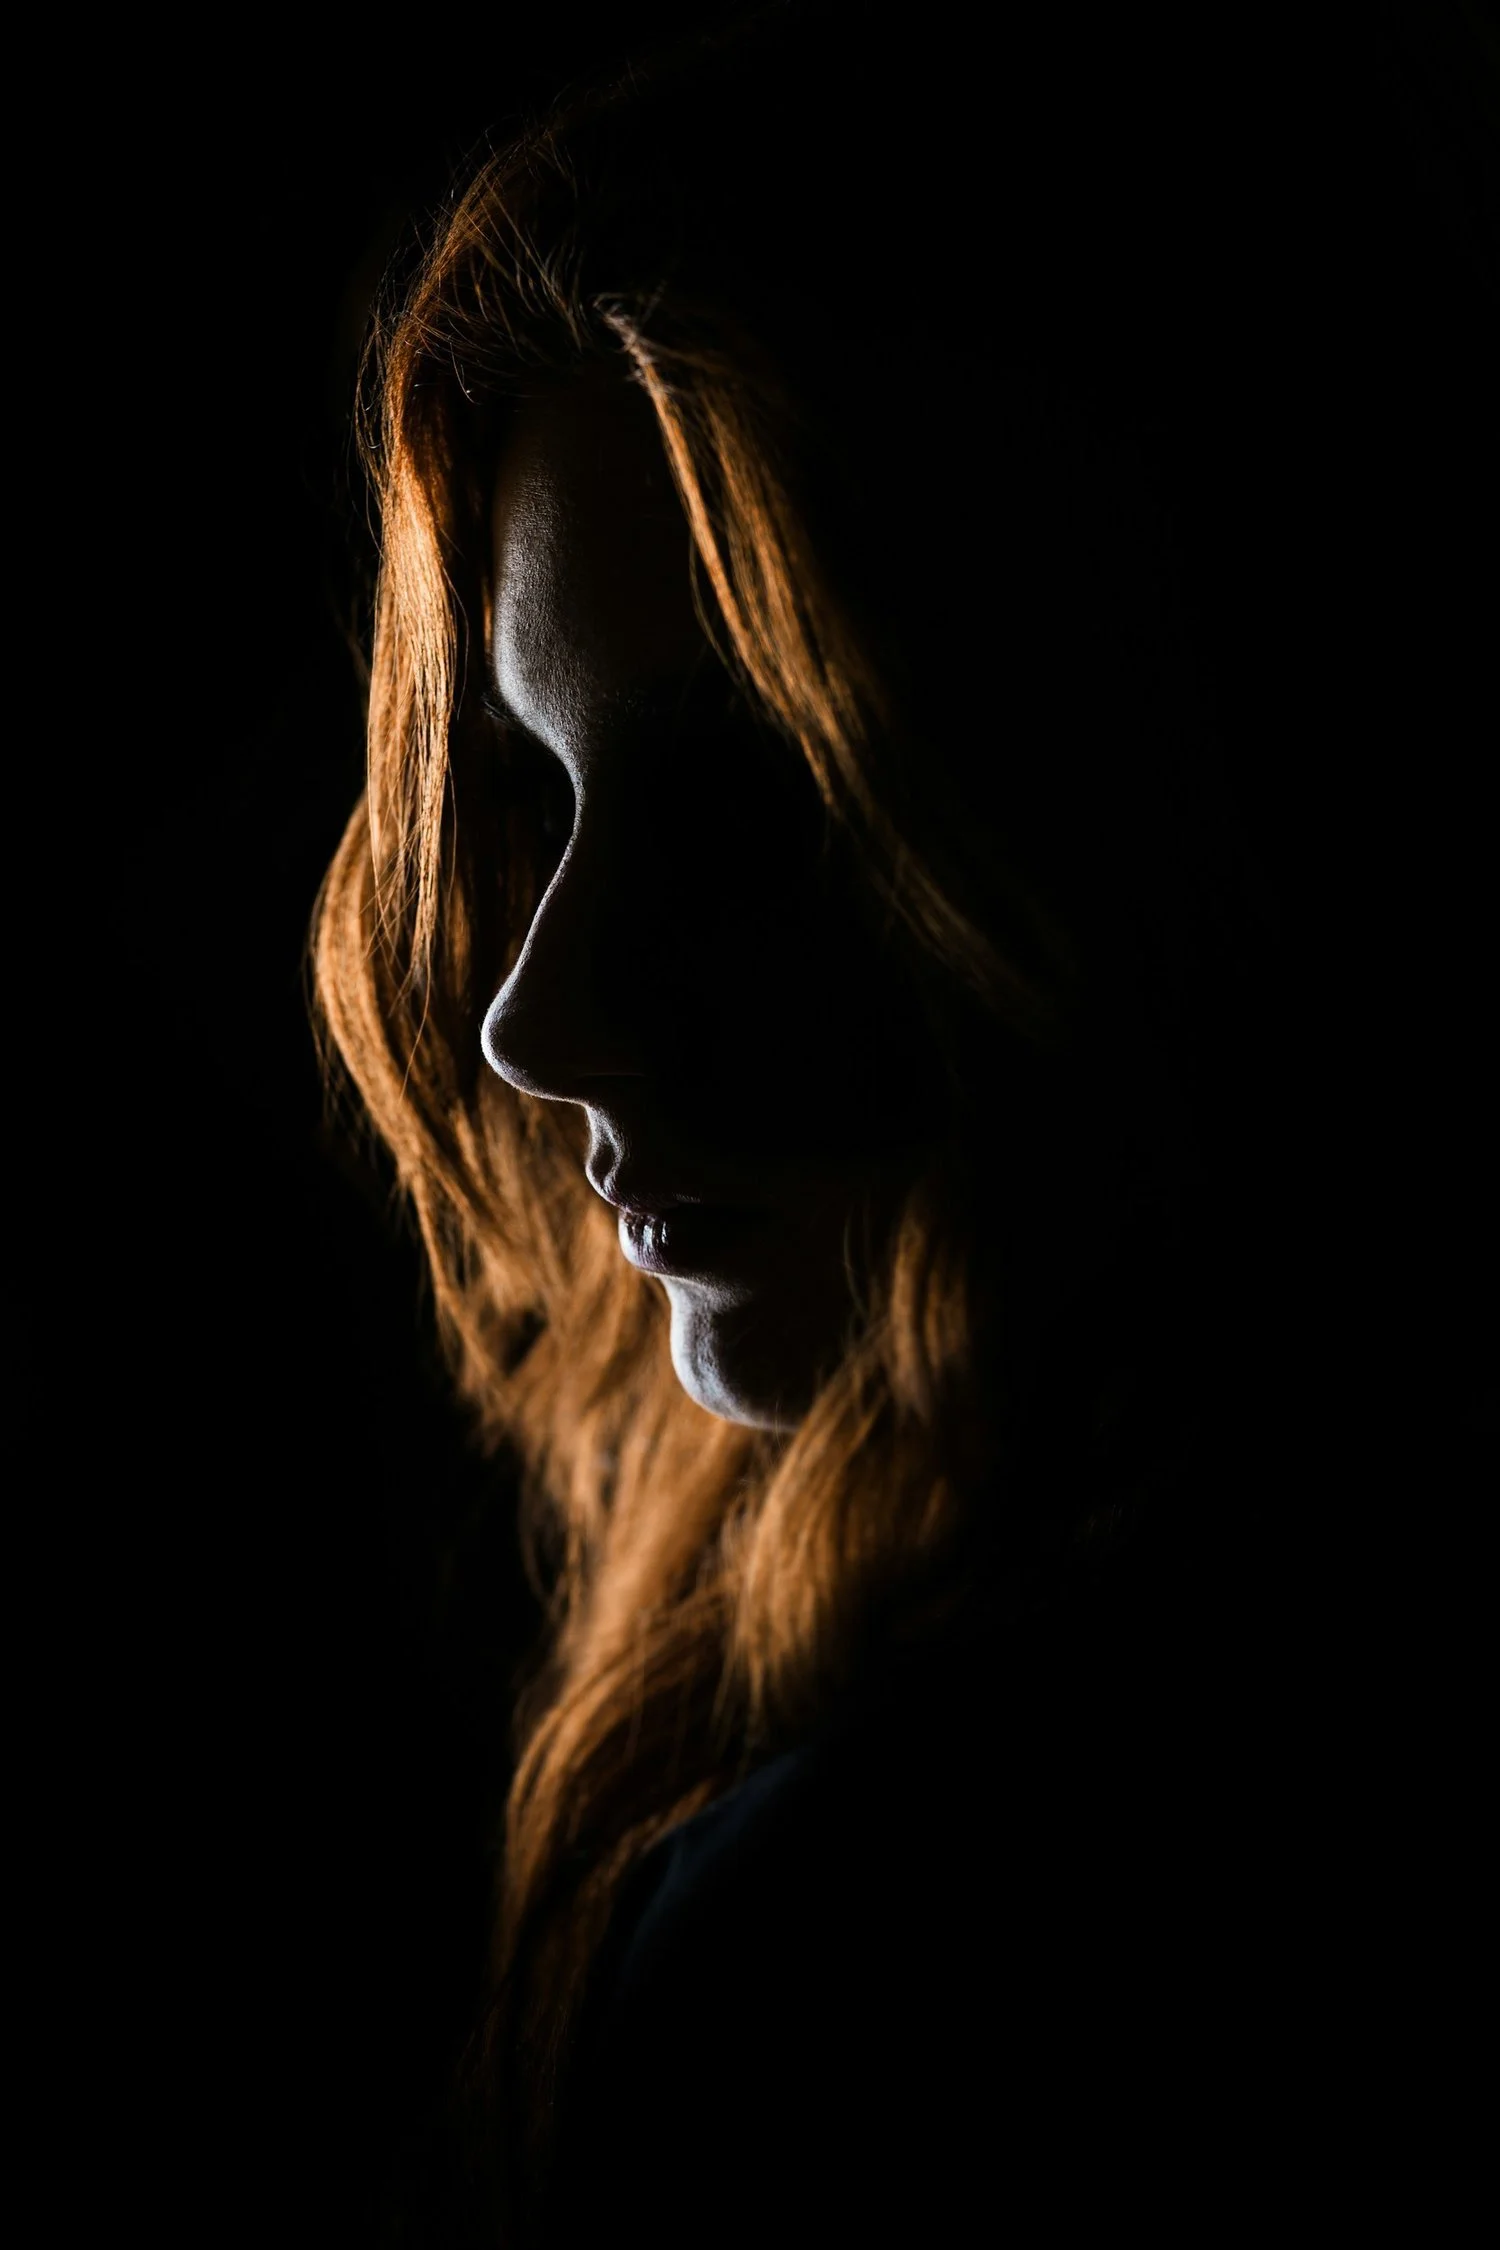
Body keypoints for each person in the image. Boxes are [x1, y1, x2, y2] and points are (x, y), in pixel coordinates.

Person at [313, 5, 1498, 2240]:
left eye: (760, 807)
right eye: (548, 794)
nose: (539, 1019)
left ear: (1152, 809)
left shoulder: (921, 1905)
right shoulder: (860, 1630)